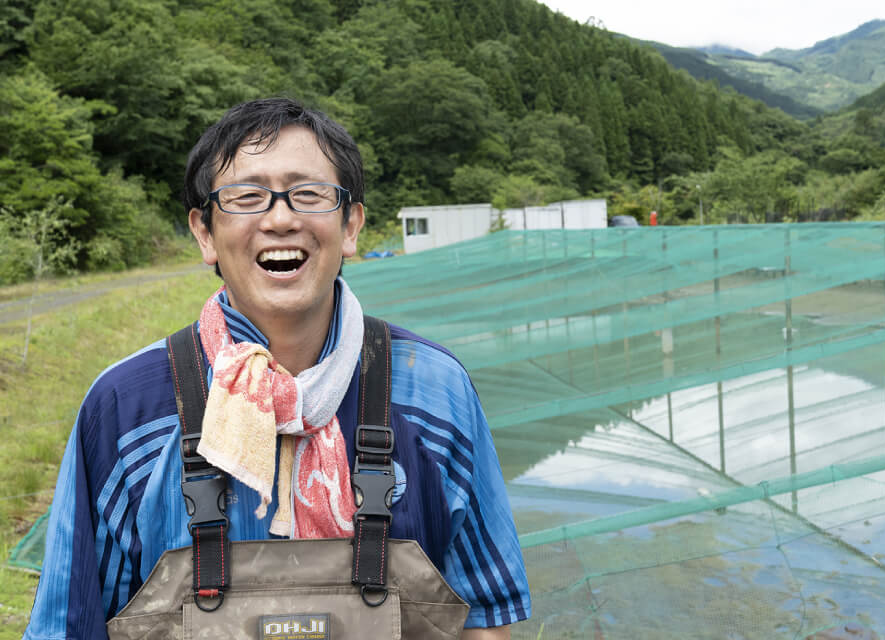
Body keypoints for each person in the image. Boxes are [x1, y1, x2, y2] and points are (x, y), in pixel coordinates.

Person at [24, 97, 530, 639]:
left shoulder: (433, 387)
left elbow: (485, 614)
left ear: (351, 225)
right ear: (204, 232)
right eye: (247, 196)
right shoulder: (126, 406)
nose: (281, 218)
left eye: (309, 194)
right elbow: (69, 627)